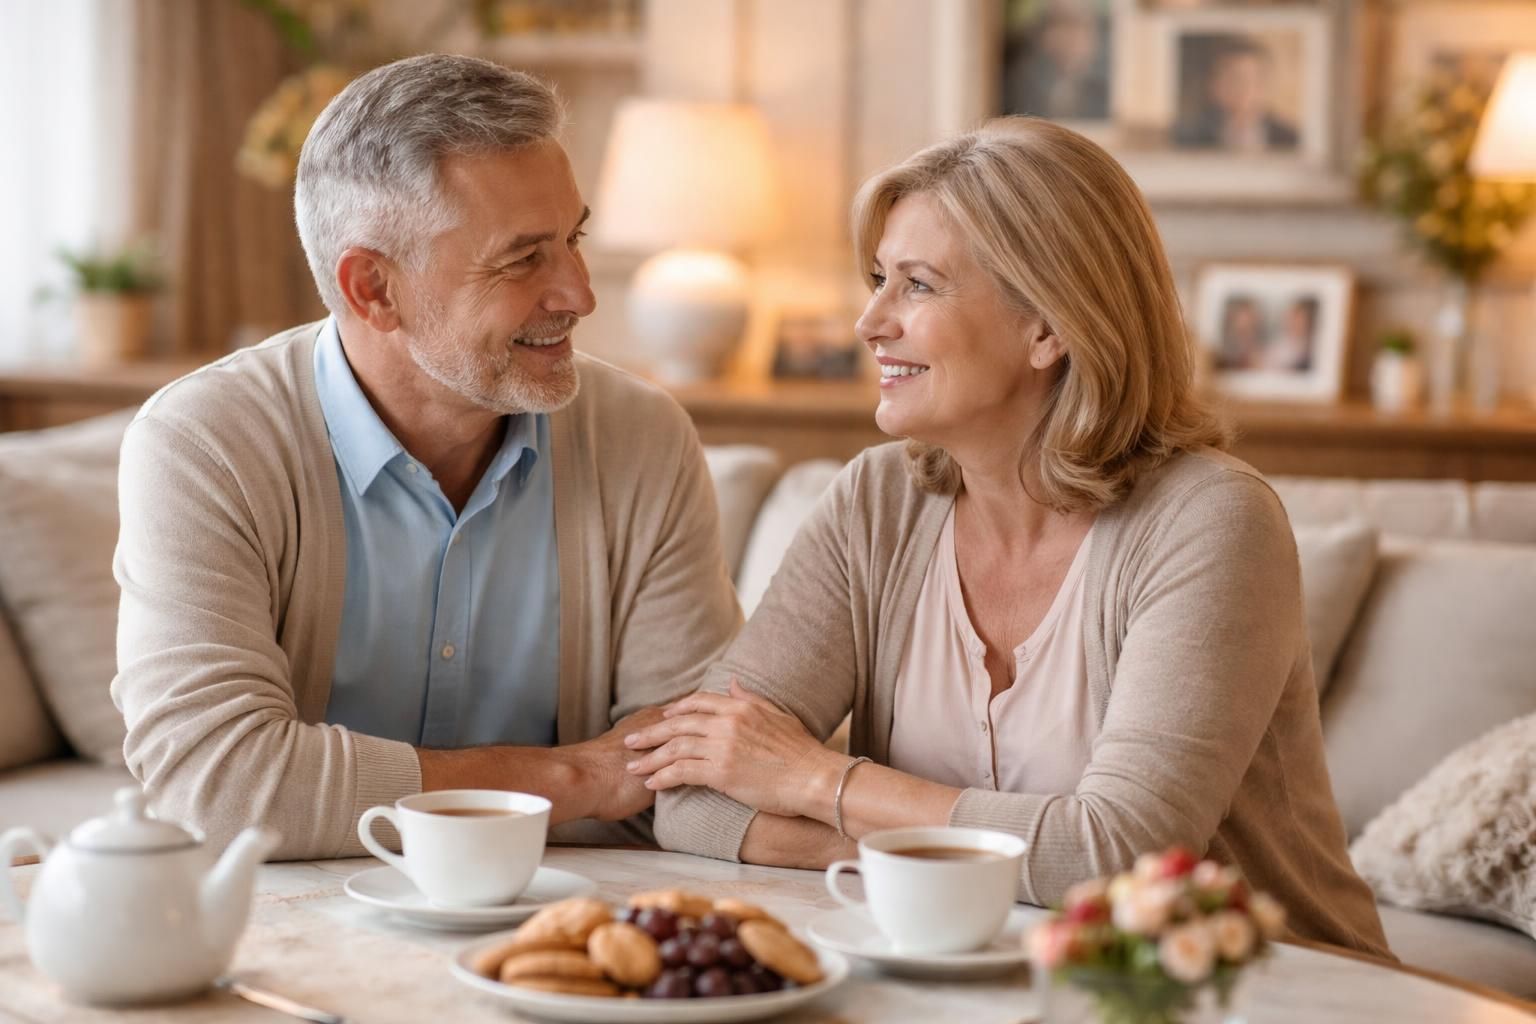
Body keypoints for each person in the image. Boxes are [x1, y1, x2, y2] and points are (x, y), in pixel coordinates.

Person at [637, 118, 1391, 957]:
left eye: (918, 285)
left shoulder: (1211, 522)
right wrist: (960, 863)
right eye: (879, 279)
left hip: (1265, 993)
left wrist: (818, 781)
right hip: (984, 981)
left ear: (1050, 327)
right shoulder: (874, 505)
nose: (870, 322)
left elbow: (1117, 853)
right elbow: (689, 797)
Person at [111, 55, 741, 860]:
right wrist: (575, 779)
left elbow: (694, 771)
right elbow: (223, 787)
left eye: (572, 240)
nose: (579, 293)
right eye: (523, 258)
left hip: (559, 924)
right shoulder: (206, 444)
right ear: (374, 288)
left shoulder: (641, 437)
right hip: (288, 933)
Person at [1173, 37, 1299, 153]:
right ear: (1214, 85)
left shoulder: (1291, 139)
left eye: (1253, 79)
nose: (1244, 88)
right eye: (1234, 78)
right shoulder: (1189, 138)